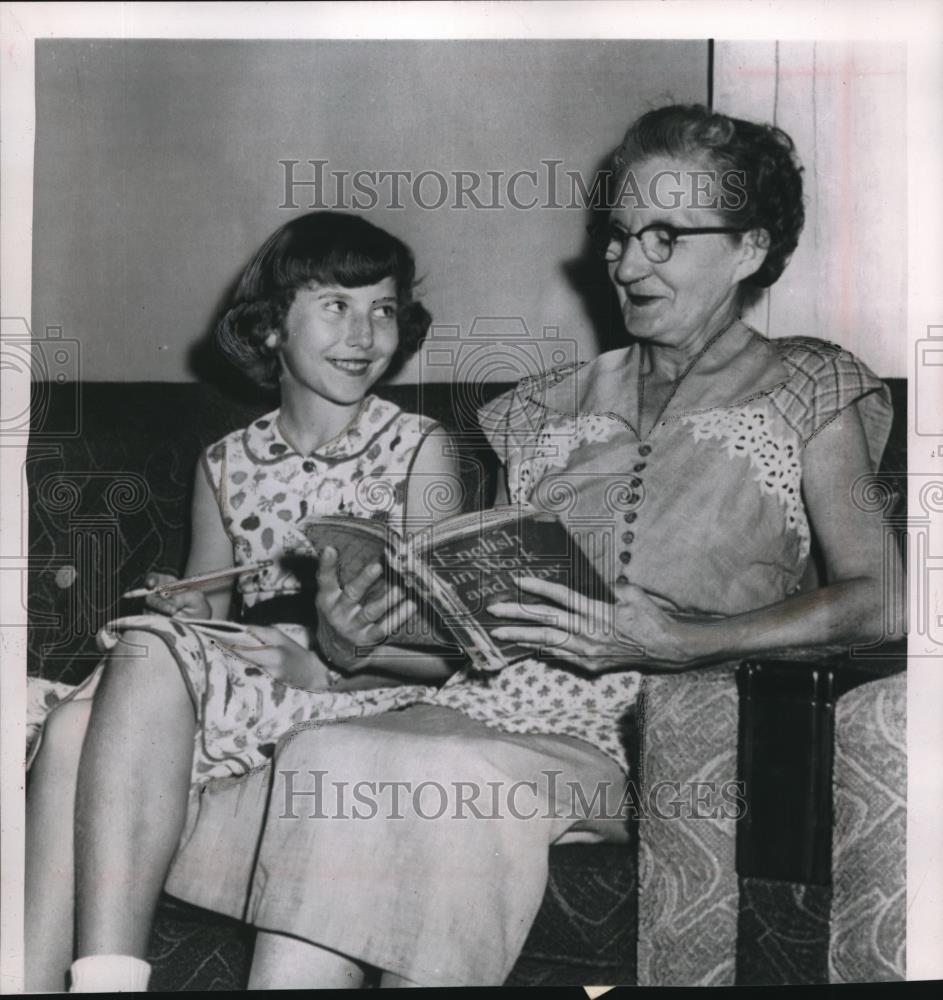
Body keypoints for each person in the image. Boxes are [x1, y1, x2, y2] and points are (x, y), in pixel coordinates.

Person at [181, 103, 897, 988]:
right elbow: (470, 628)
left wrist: (688, 639)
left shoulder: (814, 384)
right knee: (332, 752)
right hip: (484, 705)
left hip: (653, 731)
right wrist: (355, 639)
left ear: (748, 248)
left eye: (666, 237)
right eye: (620, 234)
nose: (627, 263)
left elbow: (883, 596)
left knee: (441, 783)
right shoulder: (539, 404)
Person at [24, 211, 463, 992]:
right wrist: (180, 607)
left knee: (123, 677)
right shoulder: (225, 461)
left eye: (383, 308)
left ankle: (104, 981)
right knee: (73, 721)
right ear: (269, 330)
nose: (364, 332)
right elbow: (211, 612)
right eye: (336, 305)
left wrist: (323, 664)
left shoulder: (418, 449)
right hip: (245, 683)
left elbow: (450, 653)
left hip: (359, 690)